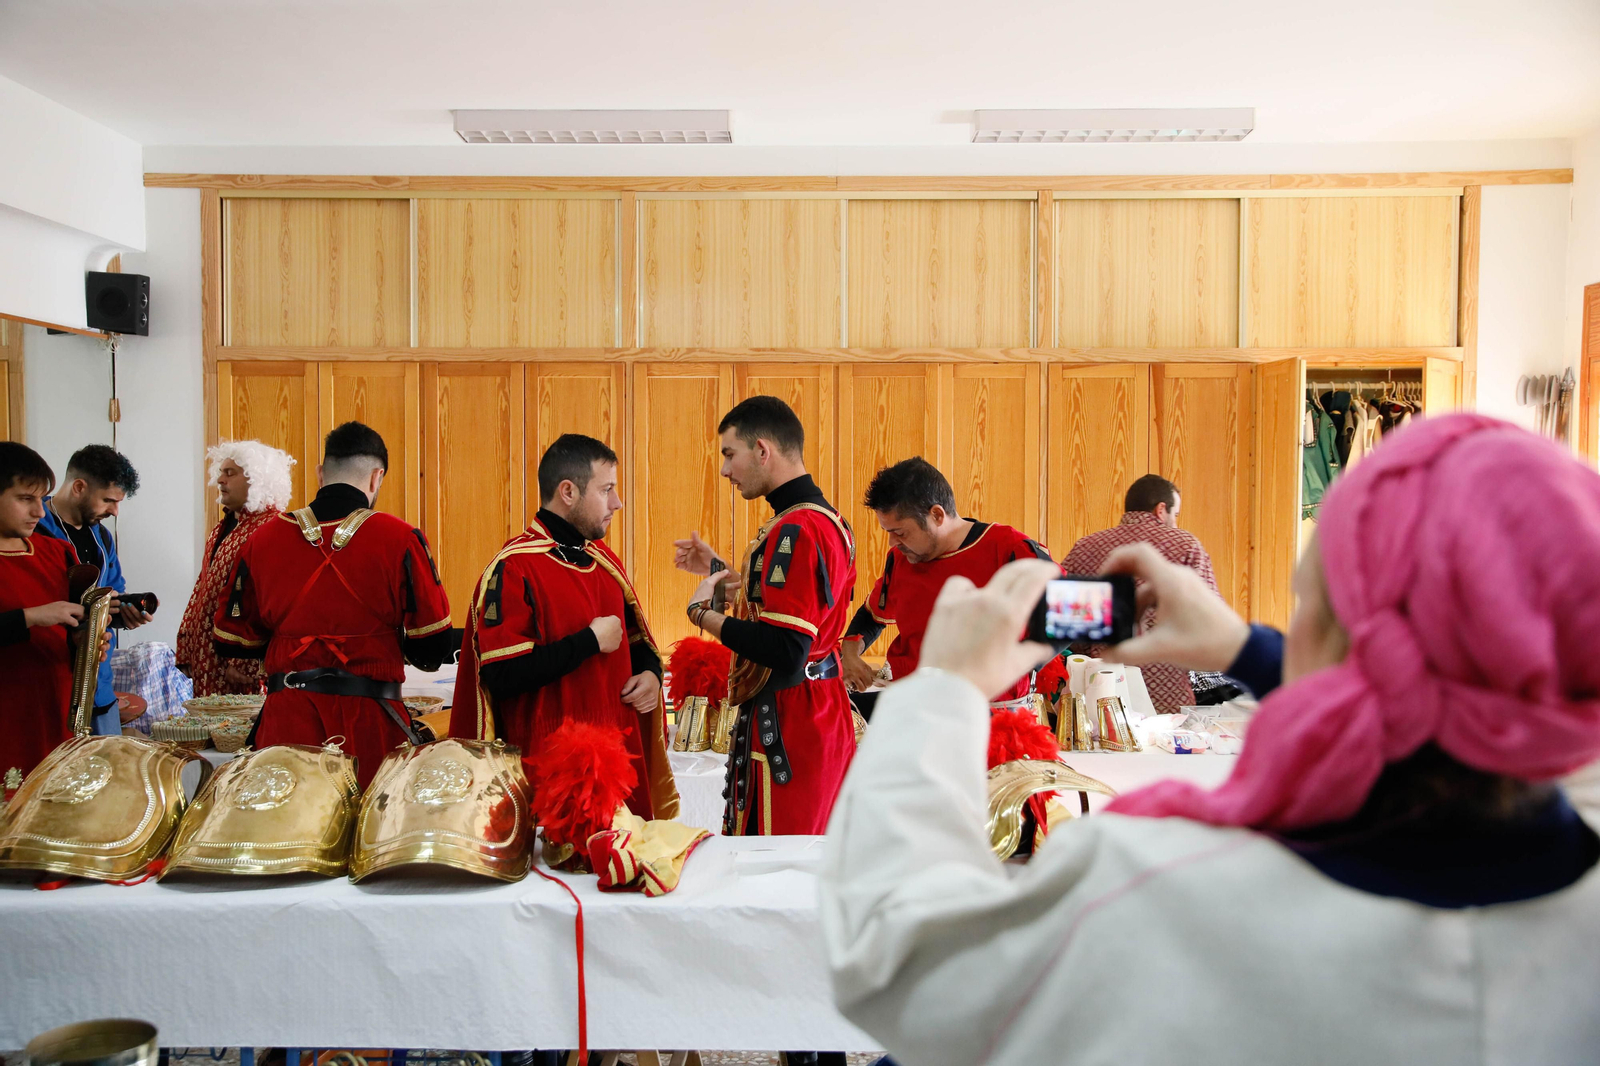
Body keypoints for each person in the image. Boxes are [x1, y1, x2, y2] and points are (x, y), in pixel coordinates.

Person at [820, 414, 1600, 1066]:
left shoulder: (1150, 889)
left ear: (1327, 625)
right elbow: (1436, 711)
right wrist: (1242, 647)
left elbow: (906, 965)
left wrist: (943, 690)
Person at [451, 434, 678, 820]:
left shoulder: (604, 560)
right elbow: (502, 674)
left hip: (617, 775)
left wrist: (652, 674)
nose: (617, 503)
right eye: (606, 489)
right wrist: (589, 641)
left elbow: (638, 643)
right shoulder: (514, 568)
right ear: (568, 491)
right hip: (549, 779)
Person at [213, 422, 451, 788]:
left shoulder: (263, 539)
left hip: (287, 724)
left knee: (287, 835)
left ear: (321, 474)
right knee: (367, 836)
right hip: (370, 726)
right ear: (376, 478)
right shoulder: (402, 539)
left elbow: (231, 641)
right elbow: (431, 647)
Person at [674, 395, 857, 836]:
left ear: (762, 450)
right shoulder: (823, 519)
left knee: (777, 872)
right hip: (815, 709)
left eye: (729, 454)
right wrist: (721, 573)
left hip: (794, 719)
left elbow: (787, 649)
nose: (725, 470)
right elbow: (790, 610)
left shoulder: (795, 529)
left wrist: (701, 615)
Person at [840, 456, 1051, 704]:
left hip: (994, 717)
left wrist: (1022, 663)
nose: (892, 543)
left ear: (937, 515)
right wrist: (850, 653)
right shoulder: (899, 559)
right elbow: (871, 617)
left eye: (900, 532)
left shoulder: (1011, 550)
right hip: (914, 710)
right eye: (888, 533)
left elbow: (1075, 617)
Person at [1061, 473, 1215, 712]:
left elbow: (1065, 621)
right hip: (1166, 689)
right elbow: (1208, 619)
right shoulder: (1185, 545)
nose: (1175, 522)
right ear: (1161, 510)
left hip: (1100, 687)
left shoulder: (1085, 547)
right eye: (1175, 515)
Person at [36, 444, 153, 735]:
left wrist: (124, 615)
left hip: (99, 685)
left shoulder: (101, 536)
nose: (114, 511)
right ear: (78, 487)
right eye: (108, 500)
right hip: (47, 680)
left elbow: (115, 589)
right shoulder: (33, 528)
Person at [175, 440, 295, 696]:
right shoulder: (224, 527)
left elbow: (270, 601)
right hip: (208, 662)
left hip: (240, 672)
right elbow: (202, 587)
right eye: (221, 471)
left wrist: (246, 661)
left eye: (230, 473)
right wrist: (186, 642)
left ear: (258, 480)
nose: (220, 479)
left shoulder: (272, 530)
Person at [0, 443, 87, 788]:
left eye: (42, 499)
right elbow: (42, 617)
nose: (40, 511)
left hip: (54, 706)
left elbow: (72, 629)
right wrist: (31, 617)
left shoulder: (58, 551)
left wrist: (86, 639)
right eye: (25, 499)